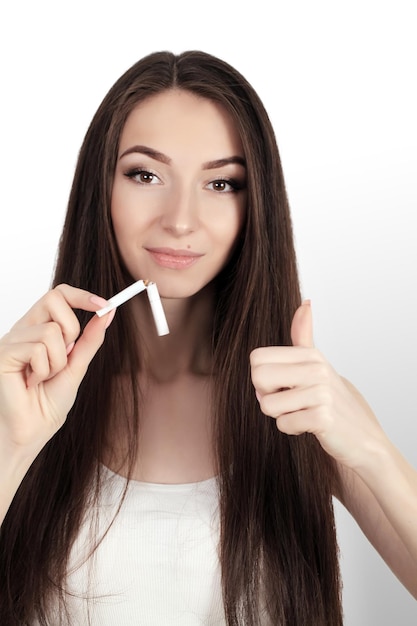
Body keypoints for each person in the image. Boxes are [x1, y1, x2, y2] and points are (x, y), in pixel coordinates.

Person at [0, 50, 416, 626]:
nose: (180, 219)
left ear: (255, 208)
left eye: (221, 183)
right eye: (145, 175)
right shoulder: (21, 398)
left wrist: (369, 446)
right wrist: (11, 443)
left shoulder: (306, 407)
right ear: (102, 189)